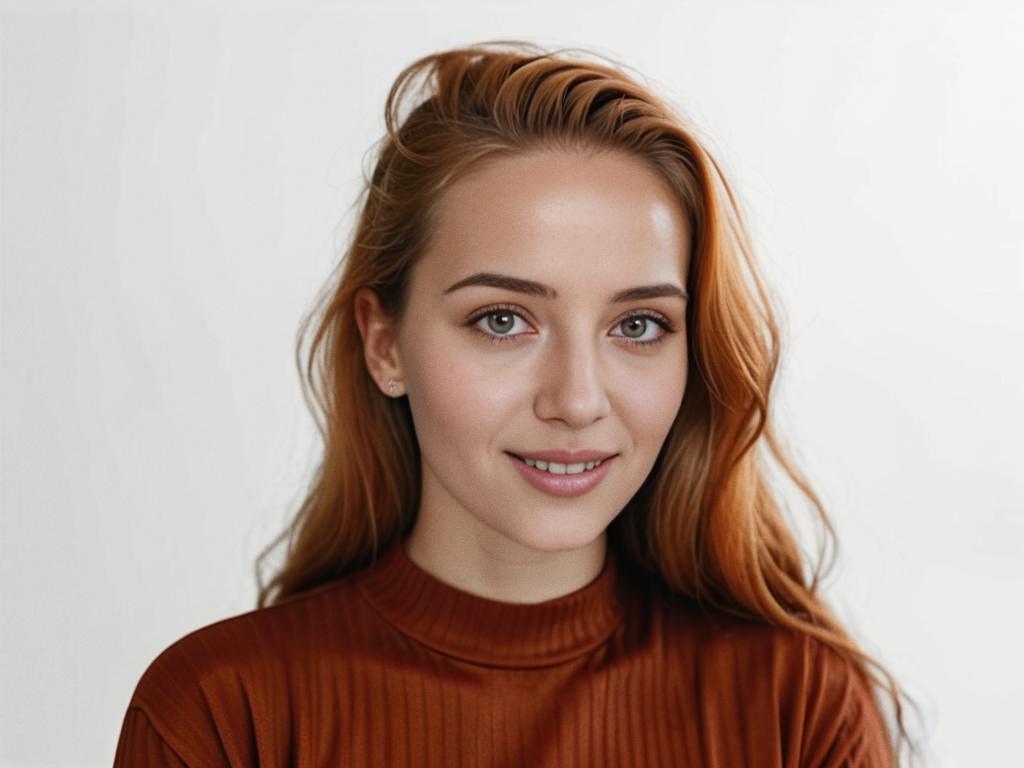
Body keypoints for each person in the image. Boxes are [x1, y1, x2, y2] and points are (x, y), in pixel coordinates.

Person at [113, 41, 917, 766]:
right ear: (384, 345)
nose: (577, 399)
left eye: (638, 325)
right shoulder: (220, 715)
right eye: (502, 320)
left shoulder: (798, 710)